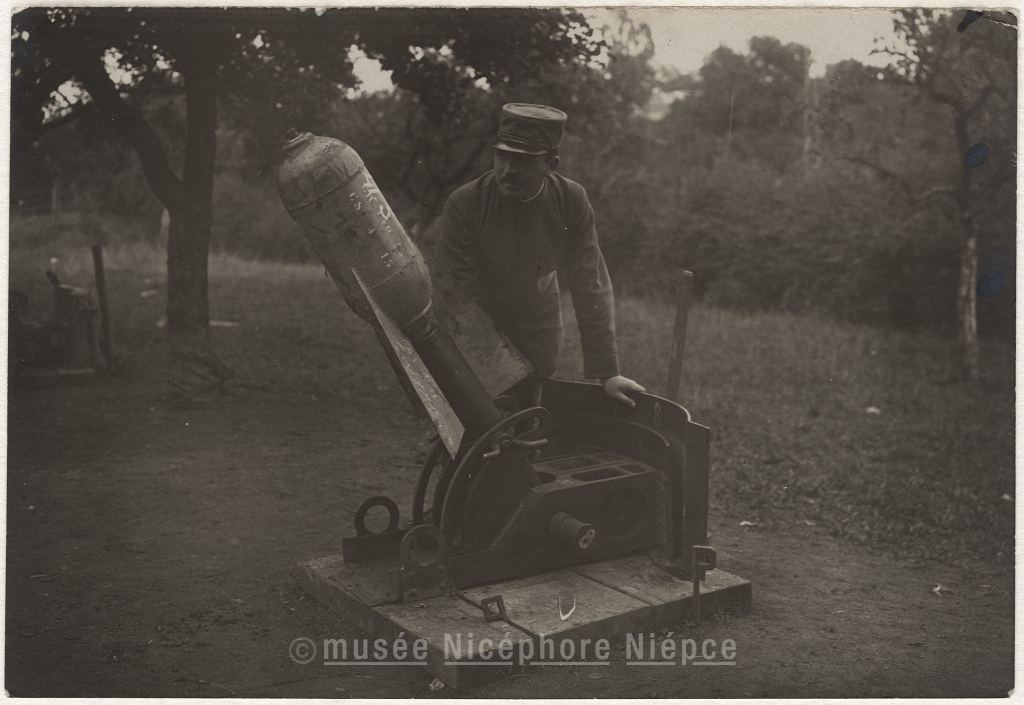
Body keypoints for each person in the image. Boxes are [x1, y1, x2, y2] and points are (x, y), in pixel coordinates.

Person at [436, 103, 645, 408]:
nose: (508, 170)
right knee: (479, 418)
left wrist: (608, 373)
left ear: (551, 165)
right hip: (475, 324)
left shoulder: (571, 201)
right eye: (502, 156)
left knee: (528, 415)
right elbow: (459, 296)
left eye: (523, 160)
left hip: (538, 328)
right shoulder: (465, 204)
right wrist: (486, 367)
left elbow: (591, 286)